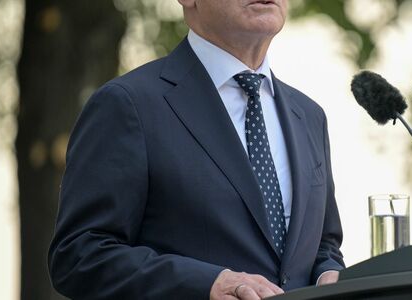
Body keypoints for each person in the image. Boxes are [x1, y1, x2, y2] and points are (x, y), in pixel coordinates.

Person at [47, 0, 344, 299]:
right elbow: (79, 255)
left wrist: (327, 275)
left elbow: (323, 246)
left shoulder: (309, 116)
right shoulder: (128, 105)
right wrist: (206, 284)